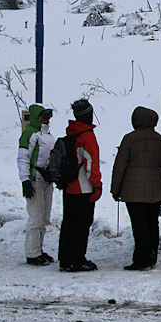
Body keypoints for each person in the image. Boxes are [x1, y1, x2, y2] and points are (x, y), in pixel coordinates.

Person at [111, 105, 161, 271]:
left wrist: (115, 189)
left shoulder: (129, 139)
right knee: (152, 223)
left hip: (133, 192)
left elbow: (120, 166)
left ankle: (141, 259)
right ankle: (152, 255)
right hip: (156, 190)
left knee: (139, 225)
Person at [58, 98, 102, 273]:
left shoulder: (71, 133)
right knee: (82, 224)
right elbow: (91, 164)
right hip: (83, 188)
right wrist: (97, 185)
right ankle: (76, 259)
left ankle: (65, 258)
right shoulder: (87, 136)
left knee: (69, 222)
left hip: (69, 187)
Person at [17, 103, 56, 266]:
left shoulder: (47, 135)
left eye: (48, 117)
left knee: (44, 218)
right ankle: (32, 253)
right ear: (36, 117)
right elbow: (23, 157)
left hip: (46, 180)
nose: (46, 120)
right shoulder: (30, 134)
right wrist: (25, 180)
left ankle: (38, 250)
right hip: (34, 180)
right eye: (43, 116)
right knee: (36, 218)